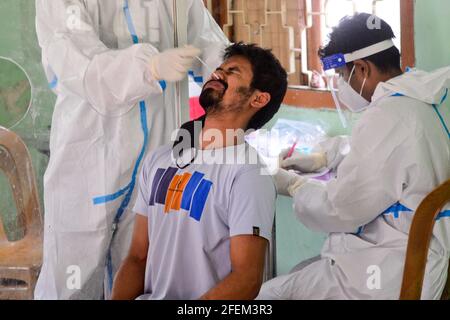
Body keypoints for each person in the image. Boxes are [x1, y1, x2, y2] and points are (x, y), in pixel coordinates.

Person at [34, 0, 229, 299]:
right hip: (91, 153)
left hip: (158, 154)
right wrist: (148, 68)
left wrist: (233, 71)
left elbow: (207, 40)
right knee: (72, 276)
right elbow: (78, 65)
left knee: (142, 268)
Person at [258, 13, 450, 300]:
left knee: (266, 295)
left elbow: (341, 210)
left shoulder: (387, 117)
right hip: (423, 254)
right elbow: (391, 152)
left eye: (341, 75)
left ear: (362, 68)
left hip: (390, 269)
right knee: (299, 273)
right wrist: (327, 156)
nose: (340, 85)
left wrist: (295, 187)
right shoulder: (420, 97)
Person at [111, 43, 288, 300]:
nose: (218, 73)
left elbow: (246, 279)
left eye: (233, 71)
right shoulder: (160, 160)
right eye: (219, 68)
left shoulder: (248, 174)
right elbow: (138, 257)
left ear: (258, 98)